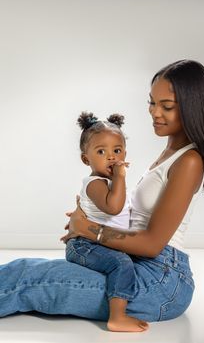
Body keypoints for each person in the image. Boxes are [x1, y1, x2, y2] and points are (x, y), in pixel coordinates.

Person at [0, 60, 204, 325]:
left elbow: (152, 244)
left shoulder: (189, 161)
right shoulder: (170, 154)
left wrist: (87, 229)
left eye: (166, 106)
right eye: (152, 102)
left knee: (32, 279)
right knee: (24, 268)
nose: (155, 113)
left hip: (159, 282)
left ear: (191, 107)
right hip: (135, 266)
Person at [65, 112, 148, 332]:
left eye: (117, 151)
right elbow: (114, 207)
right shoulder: (95, 183)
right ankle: (117, 317)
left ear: (125, 153)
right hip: (86, 245)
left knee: (127, 259)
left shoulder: (112, 184)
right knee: (122, 263)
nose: (111, 157)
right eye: (101, 151)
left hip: (98, 241)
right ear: (86, 159)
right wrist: (120, 177)